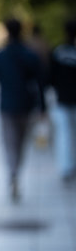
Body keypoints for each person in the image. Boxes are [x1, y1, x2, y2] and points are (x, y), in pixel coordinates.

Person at [0, 18, 46, 202]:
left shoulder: (1, 55)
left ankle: (13, 172)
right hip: (26, 105)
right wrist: (43, 107)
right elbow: (41, 82)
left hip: (7, 106)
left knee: (9, 142)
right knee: (21, 142)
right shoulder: (29, 55)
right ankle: (16, 170)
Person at [50, 18, 76, 184]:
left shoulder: (58, 52)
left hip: (62, 100)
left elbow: (50, 77)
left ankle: (66, 167)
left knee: (64, 135)